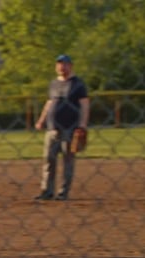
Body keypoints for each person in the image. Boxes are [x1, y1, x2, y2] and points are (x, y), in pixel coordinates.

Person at [34, 54, 90, 201]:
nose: (61, 67)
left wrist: (82, 125)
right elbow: (49, 103)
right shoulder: (53, 83)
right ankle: (47, 191)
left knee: (68, 161)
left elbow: (84, 105)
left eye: (65, 64)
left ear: (70, 66)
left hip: (70, 129)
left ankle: (63, 192)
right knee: (48, 160)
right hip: (52, 128)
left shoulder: (78, 84)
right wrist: (41, 120)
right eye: (59, 64)